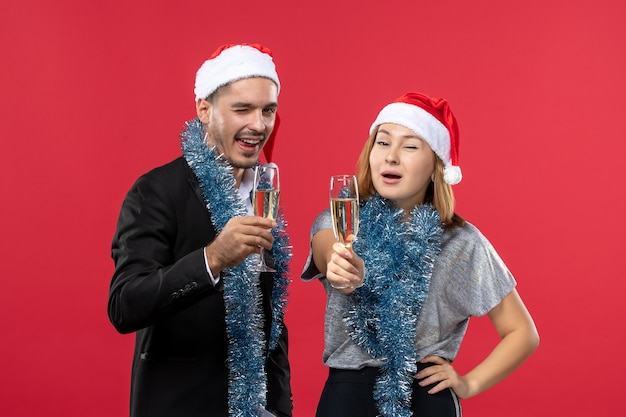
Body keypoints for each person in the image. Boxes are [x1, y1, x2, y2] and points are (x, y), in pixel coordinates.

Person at [301, 92, 539, 417]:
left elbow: (523, 333)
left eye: (410, 146)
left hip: (426, 399)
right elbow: (328, 249)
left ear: (435, 168)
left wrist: (469, 383)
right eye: (382, 143)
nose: (391, 157)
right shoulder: (338, 221)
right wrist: (340, 265)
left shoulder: (462, 243)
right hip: (346, 399)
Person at [108, 43, 292, 417]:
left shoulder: (263, 195)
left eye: (267, 110)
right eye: (242, 109)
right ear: (204, 110)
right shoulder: (157, 191)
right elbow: (124, 305)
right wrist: (212, 259)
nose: (258, 125)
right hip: (181, 405)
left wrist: (280, 406)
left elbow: (271, 324)